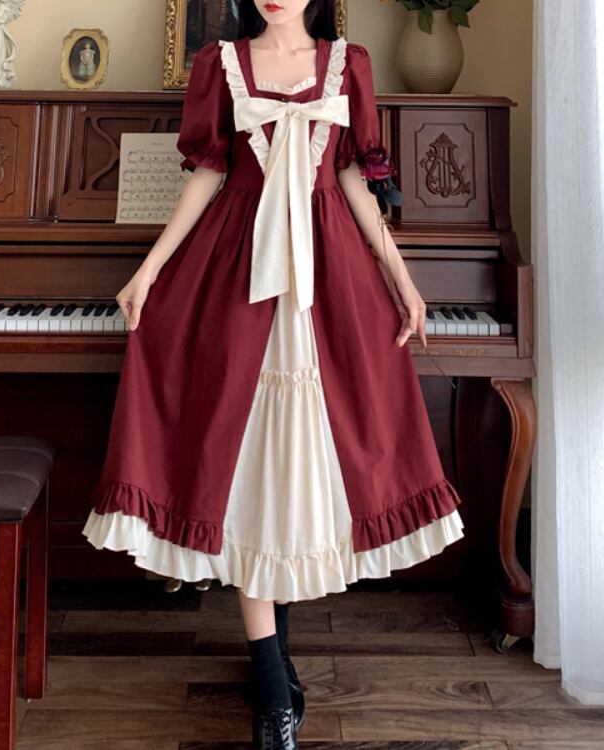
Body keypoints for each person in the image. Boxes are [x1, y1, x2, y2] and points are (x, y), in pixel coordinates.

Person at [83, 1, 465, 747]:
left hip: (328, 281)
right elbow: (208, 175)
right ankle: (271, 687)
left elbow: (352, 177)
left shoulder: (348, 65)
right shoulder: (219, 65)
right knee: (249, 474)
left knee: (298, 474)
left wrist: (403, 281)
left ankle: (275, 668)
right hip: (237, 275)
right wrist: (148, 271)